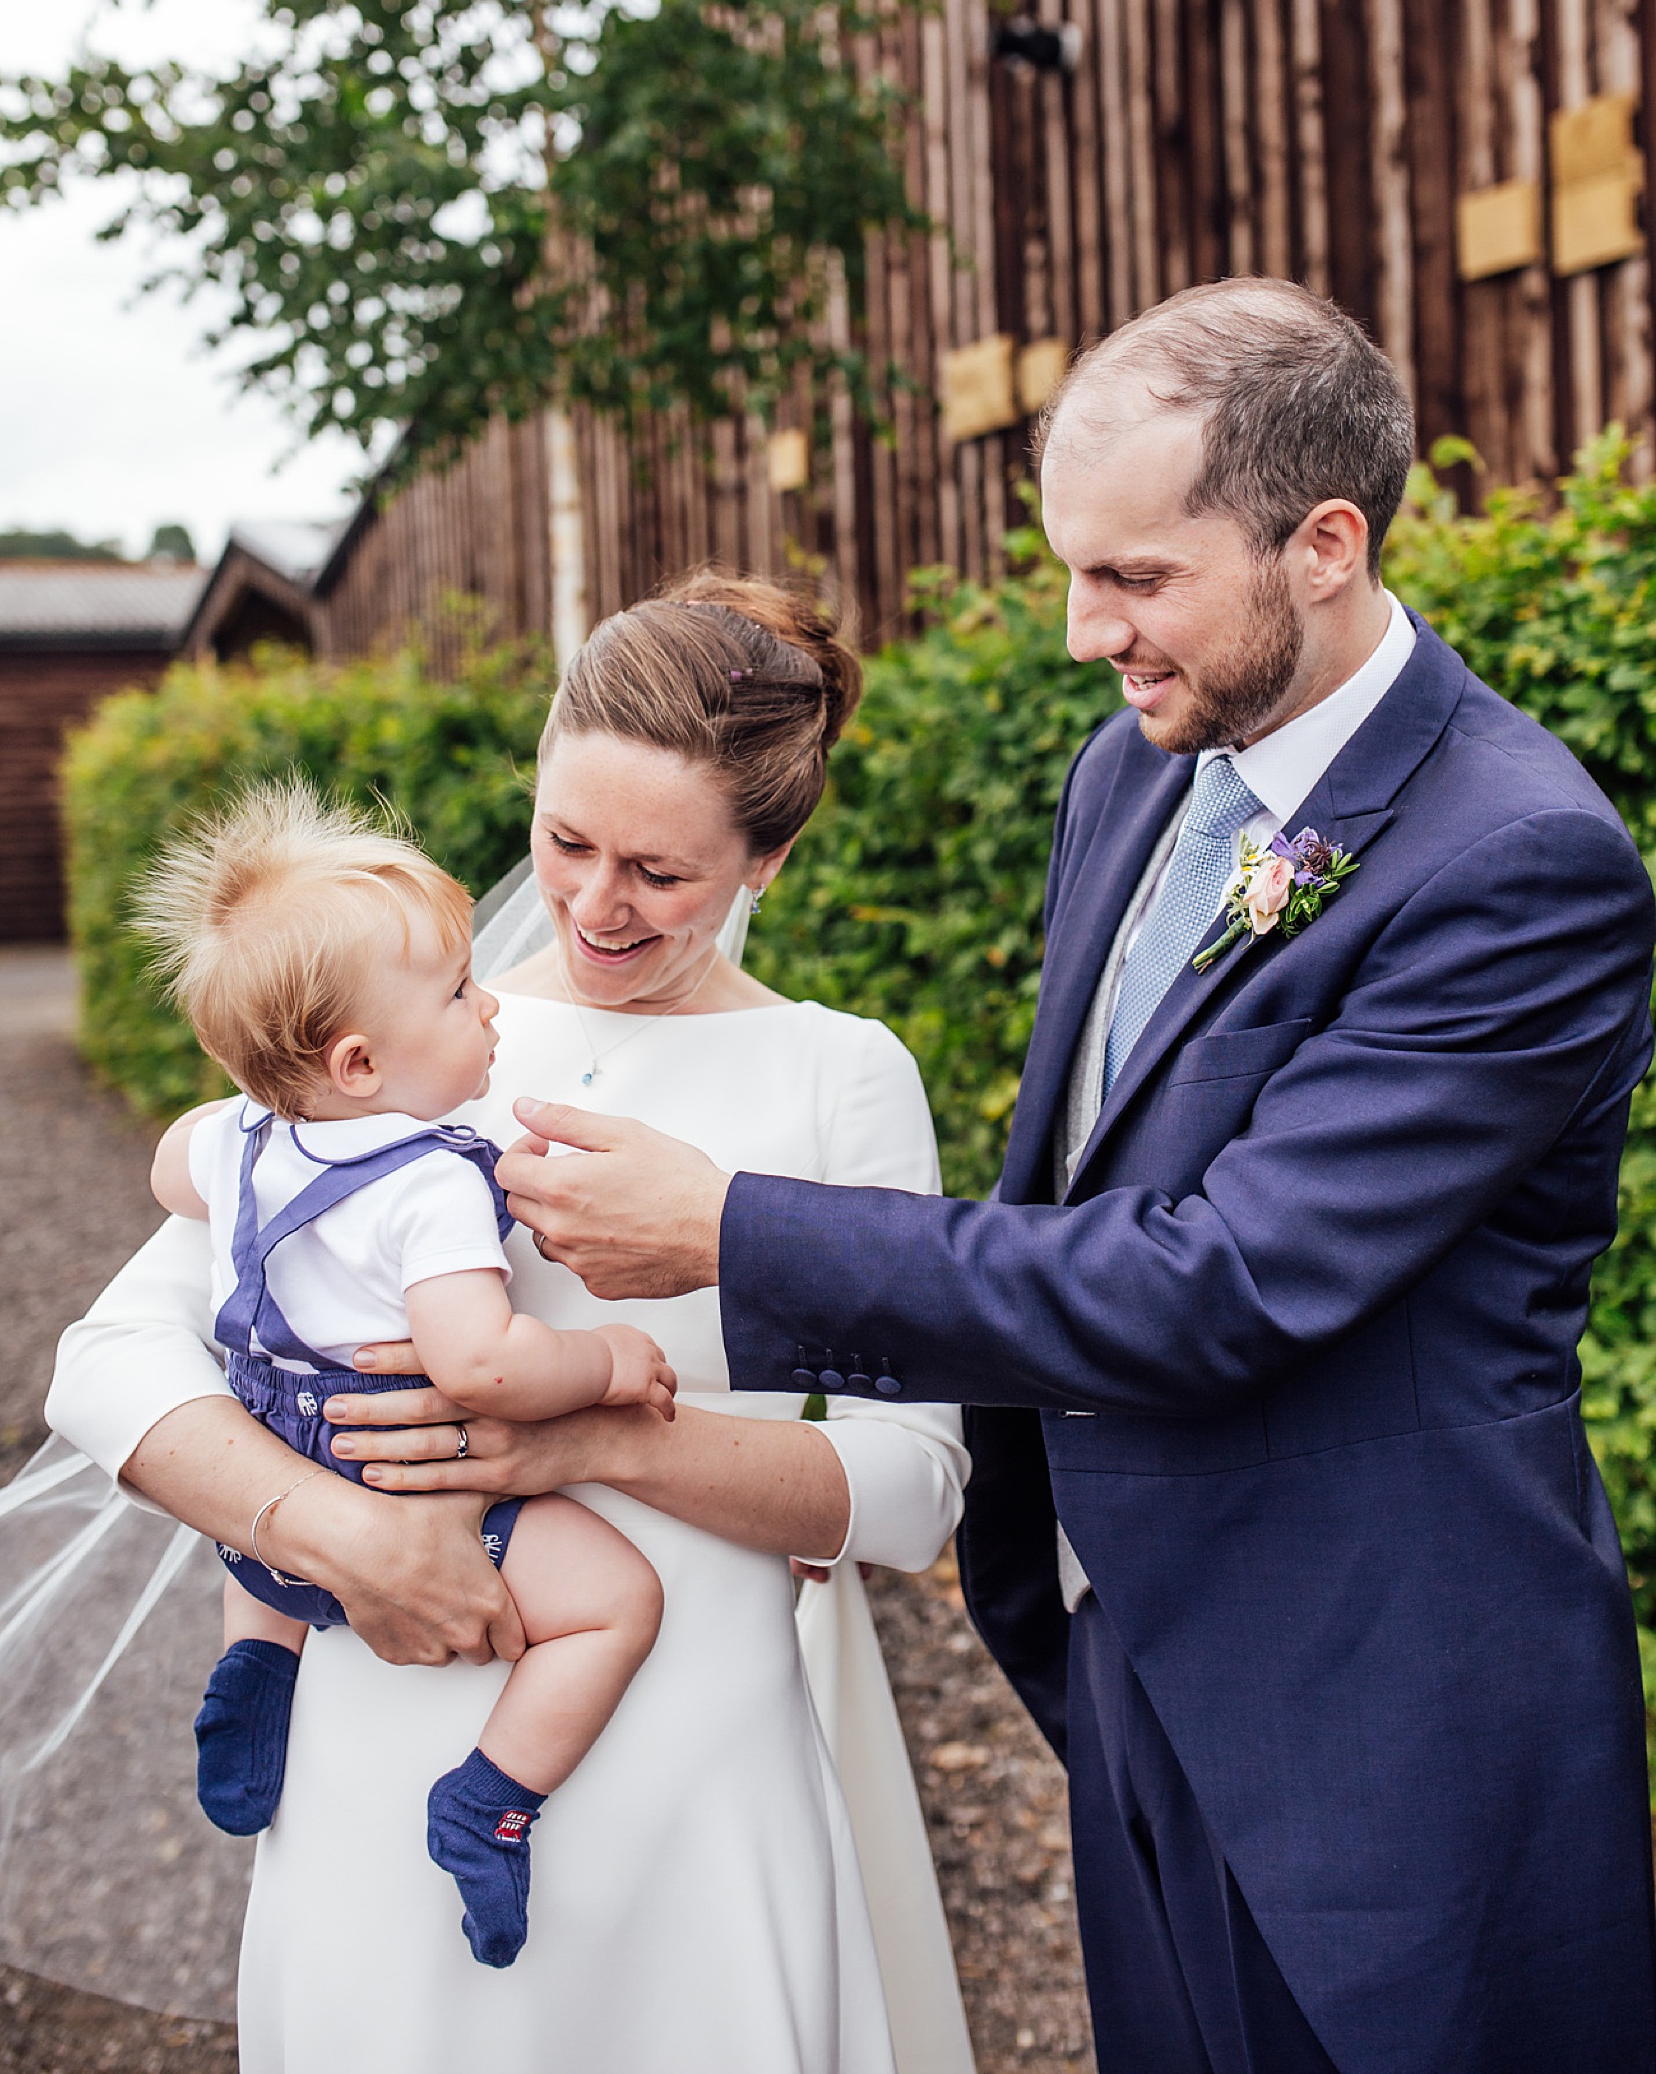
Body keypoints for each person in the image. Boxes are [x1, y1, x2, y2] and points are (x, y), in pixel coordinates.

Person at [494, 280, 1656, 2074]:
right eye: (1069, 568)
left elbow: (1220, 1280)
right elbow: (1073, 1181)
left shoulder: (1521, 862)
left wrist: (732, 1233)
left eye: (1132, 577)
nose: (1074, 631)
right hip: (1129, 1656)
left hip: (1388, 1708)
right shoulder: (1130, 774)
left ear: (1325, 543)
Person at [44, 570, 976, 2074]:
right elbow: (108, 1360)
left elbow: (915, 1486)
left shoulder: (837, 1074)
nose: (599, 904)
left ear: (772, 857)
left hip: (685, 1734)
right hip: (381, 1692)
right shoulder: (394, 1026)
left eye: (663, 873)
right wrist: (342, 1535)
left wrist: (592, 1437)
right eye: (566, 842)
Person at [136, 782, 675, 1965]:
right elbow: (480, 1365)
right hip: (399, 1479)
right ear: (362, 1059)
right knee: (616, 1603)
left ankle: (253, 1663)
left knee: (263, 1441)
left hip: (274, 1484)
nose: (490, 1006)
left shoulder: (239, 1132)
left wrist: (235, 1125)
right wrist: (605, 1361)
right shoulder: (428, 1183)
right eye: (458, 993)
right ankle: (488, 1797)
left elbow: (172, 1168)